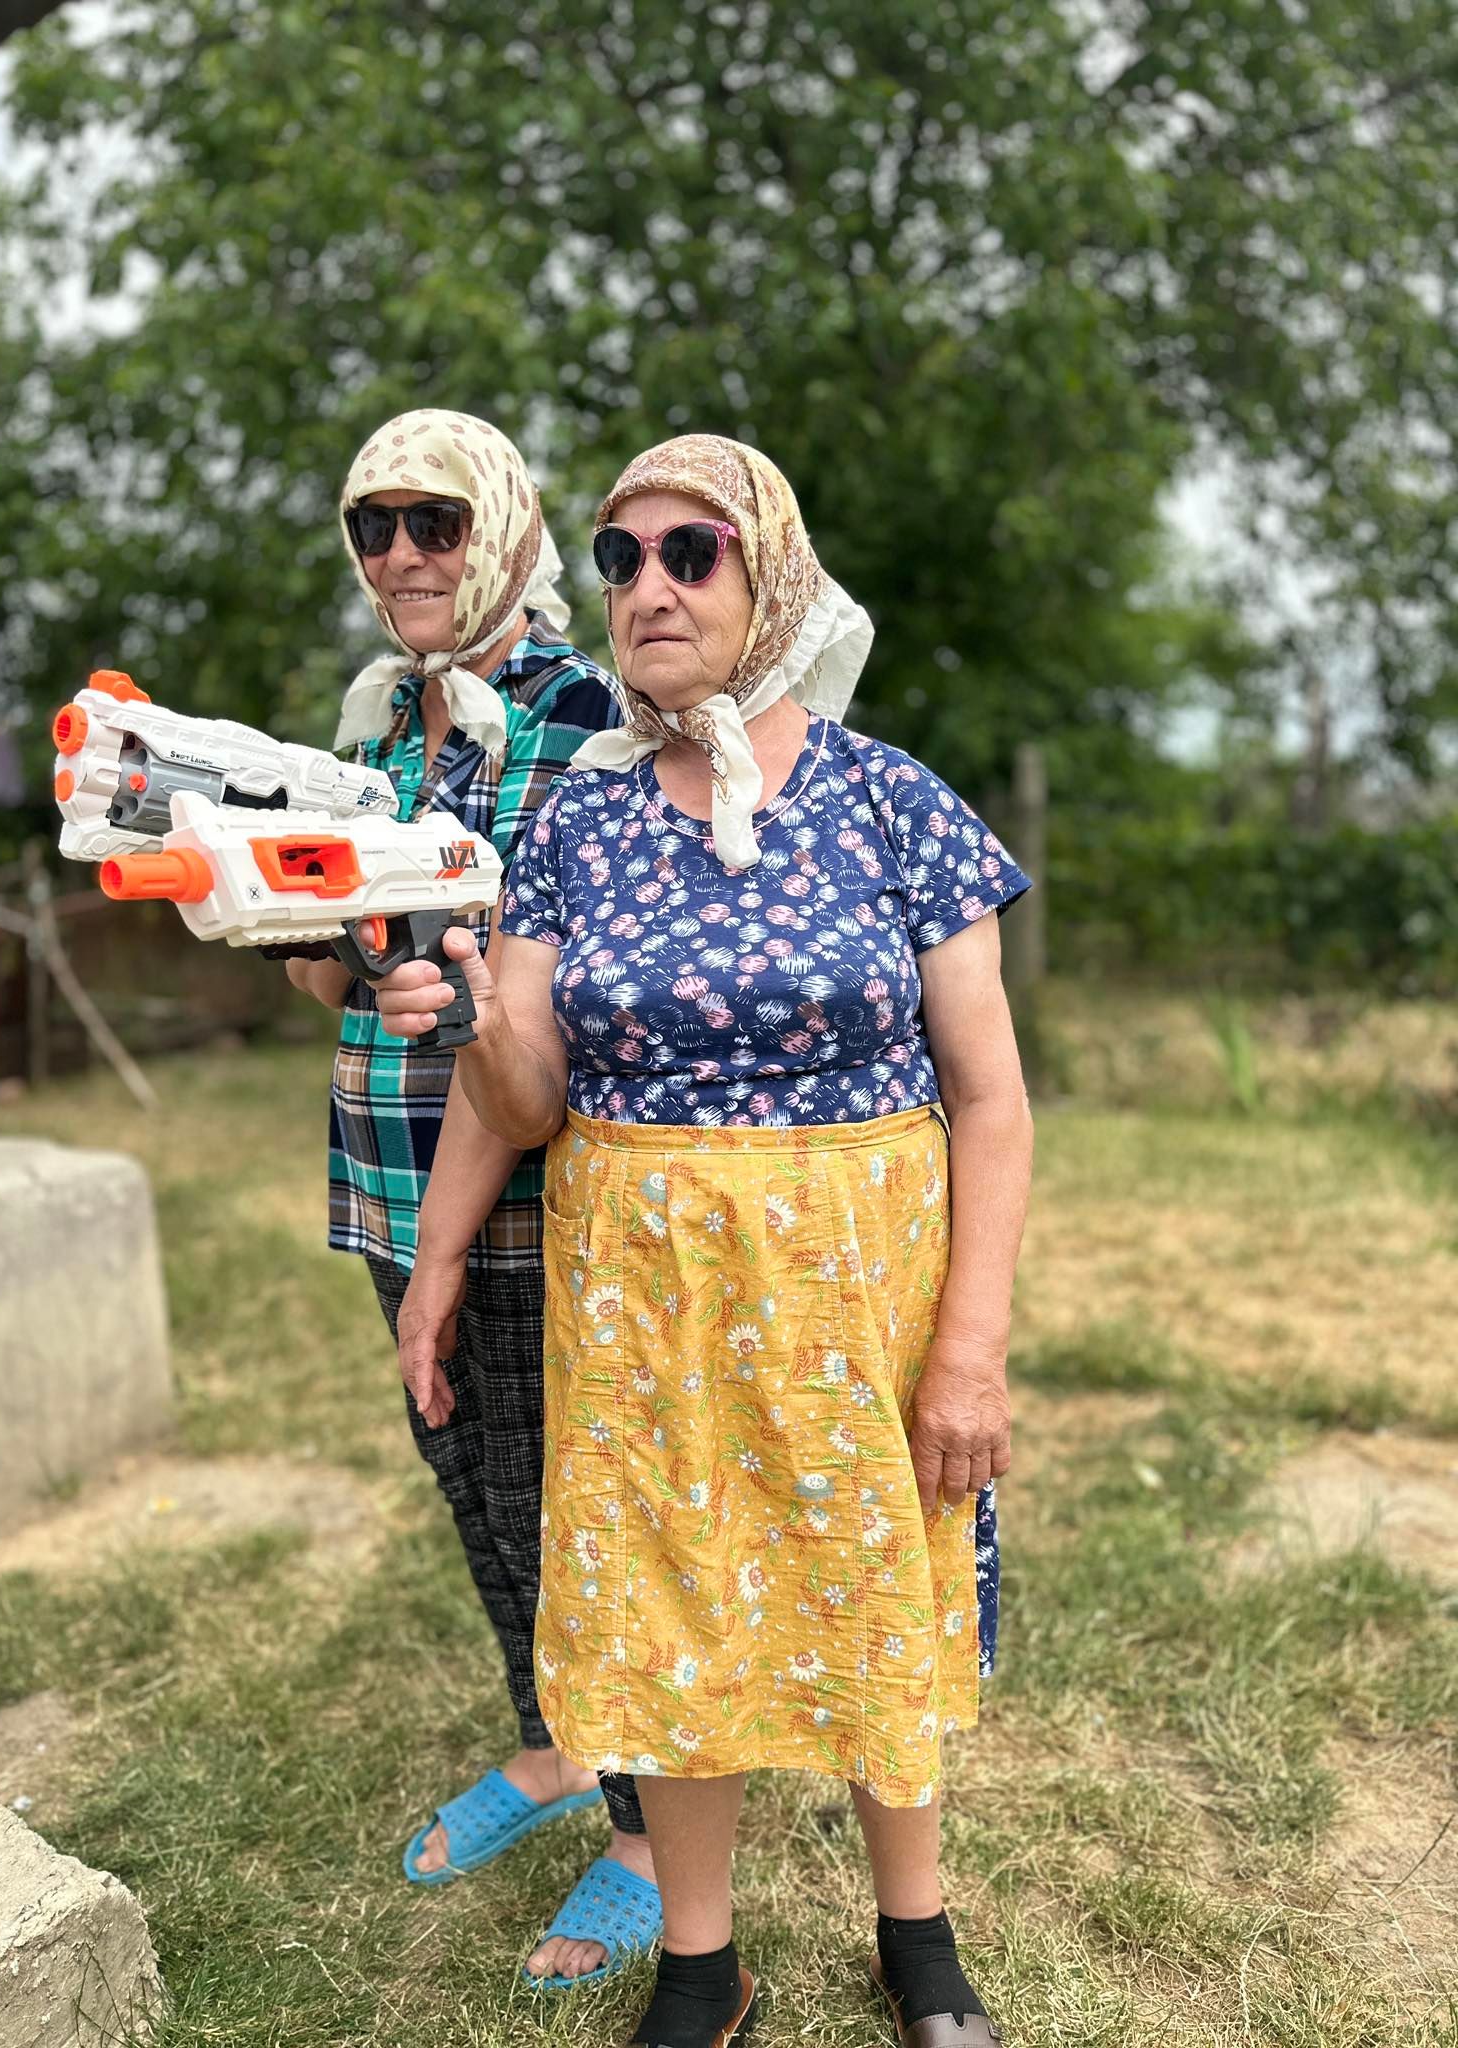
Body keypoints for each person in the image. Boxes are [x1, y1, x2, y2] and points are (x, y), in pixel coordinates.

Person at [374, 432, 1033, 2047]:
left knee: (873, 1584)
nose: (651, 587)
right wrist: (469, 1038)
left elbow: (992, 1099)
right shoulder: (576, 828)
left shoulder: (892, 801)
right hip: (643, 1297)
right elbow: (527, 1098)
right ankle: (699, 1957)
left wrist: (969, 1348)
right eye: (621, 558)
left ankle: (917, 1931)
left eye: (694, 553)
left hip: (856, 1294)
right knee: (668, 1602)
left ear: (774, 581)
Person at [287, 408, 660, 1989]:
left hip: (540, 1183)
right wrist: (312, 929)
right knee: (469, 1482)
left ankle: (649, 1831)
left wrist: (468, 977)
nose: (400, 556)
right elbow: (328, 972)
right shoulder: (379, 723)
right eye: (371, 526)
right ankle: (552, 1742)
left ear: (502, 527)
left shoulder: (591, 712)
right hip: (390, 1164)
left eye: (432, 521)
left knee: (573, 1505)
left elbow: (605, 964)